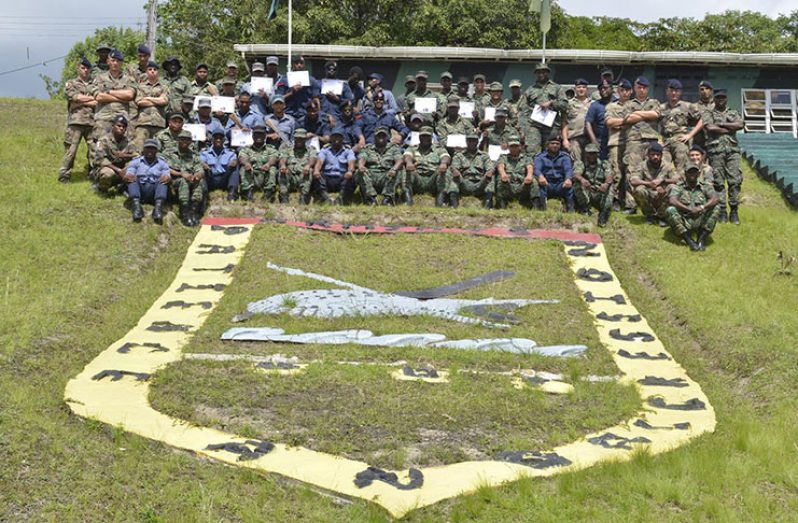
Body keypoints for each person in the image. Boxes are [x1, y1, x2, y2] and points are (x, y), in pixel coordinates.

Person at [702, 88, 744, 224]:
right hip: (716, 152)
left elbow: (740, 124)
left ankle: (734, 211)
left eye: (723, 97)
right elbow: (709, 127)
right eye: (718, 97)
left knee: (735, 181)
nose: (720, 100)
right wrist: (729, 129)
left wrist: (721, 124)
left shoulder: (733, 112)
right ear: (714, 98)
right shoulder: (708, 113)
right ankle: (722, 211)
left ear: (726, 99)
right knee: (718, 183)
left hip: (732, 152)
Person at [665, 162, 720, 251]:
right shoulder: (679, 186)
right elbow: (672, 200)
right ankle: (688, 240)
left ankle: (701, 239)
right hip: (685, 220)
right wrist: (689, 209)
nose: (692, 174)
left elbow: (715, 199)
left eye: (694, 172)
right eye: (690, 172)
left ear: (698, 174)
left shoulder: (705, 186)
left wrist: (701, 207)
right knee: (670, 210)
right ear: (685, 173)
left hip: (701, 219)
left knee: (716, 207)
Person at [58, 57, 96, 183]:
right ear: (78, 68)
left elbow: (98, 101)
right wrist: (88, 99)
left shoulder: (95, 84)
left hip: (92, 121)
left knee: (94, 150)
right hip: (76, 121)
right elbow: (74, 98)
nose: (85, 70)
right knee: (71, 150)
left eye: (87, 68)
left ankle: (93, 173)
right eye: (83, 68)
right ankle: (64, 175)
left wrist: (80, 101)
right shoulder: (71, 83)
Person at [91, 49, 136, 150]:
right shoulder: (99, 78)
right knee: (100, 144)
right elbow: (98, 97)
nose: (115, 63)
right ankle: (100, 165)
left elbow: (129, 95)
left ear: (121, 63)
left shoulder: (129, 79)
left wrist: (109, 92)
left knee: (124, 144)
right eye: (113, 60)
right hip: (103, 117)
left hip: (122, 116)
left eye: (118, 61)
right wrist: (121, 98)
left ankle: (122, 164)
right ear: (108, 61)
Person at [519, 62, 566, 156]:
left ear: (548, 73)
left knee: (551, 151)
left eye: (543, 72)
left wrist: (552, 103)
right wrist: (523, 130)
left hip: (552, 126)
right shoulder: (530, 90)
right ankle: (534, 170)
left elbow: (564, 105)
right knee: (532, 151)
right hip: (534, 126)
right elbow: (523, 110)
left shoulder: (557, 88)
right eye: (538, 72)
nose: (541, 74)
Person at [623, 76, 661, 191]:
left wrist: (637, 113)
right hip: (634, 141)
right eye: (639, 87)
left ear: (647, 89)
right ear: (635, 88)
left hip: (651, 140)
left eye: (644, 88)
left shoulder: (654, 102)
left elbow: (655, 114)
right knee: (632, 170)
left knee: (651, 170)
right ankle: (631, 204)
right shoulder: (628, 104)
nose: (641, 90)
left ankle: (651, 199)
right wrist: (646, 114)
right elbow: (628, 119)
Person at [660, 79, 704, 172]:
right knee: (663, 168)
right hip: (665, 142)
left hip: (680, 140)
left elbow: (704, 119)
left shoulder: (687, 106)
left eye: (676, 91)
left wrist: (690, 134)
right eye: (671, 90)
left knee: (682, 169)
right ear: (667, 91)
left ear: (680, 92)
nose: (674, 93)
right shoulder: (661, 107)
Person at [629, 142, 678, 225]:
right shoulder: (642, 165)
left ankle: (661, 215)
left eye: (658, 155)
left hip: (662, 194)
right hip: (649, 193)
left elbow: (677, 179)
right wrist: (649, 184)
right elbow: (633, 180)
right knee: (639, 189)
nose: (655, 157)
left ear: (661, 155)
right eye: (653, 154)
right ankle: (650, 215)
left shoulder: (667, 165)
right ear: (648, 155)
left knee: (673, 188)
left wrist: (663, 182)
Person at [403, 126, 453, 206]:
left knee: (446, 171)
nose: (425, 138)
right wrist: (409, 162)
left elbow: (446, 157)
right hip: (418, 179)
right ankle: (407, 199)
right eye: (423, 136)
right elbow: (407, 156)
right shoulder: (413, 148)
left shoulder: (438, 149)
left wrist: (443, 163)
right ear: (419, 137)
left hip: (433, 180)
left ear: (431, 137)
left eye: (427, 136)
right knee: (405, 170)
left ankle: (441, 199)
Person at [124, 139, 171, 223]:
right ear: (143, 150)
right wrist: (129, 175)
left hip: (154, 193)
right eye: (147, 148)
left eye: (152, 148)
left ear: (156, 150)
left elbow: (166, 174)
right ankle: (137, 207)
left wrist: (167, 177)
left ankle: (158, 209)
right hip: (140, 191)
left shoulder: (162, 163)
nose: (150, 151)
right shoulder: (135, 162)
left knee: (163, 181)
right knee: (132, 179)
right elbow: (130, 172)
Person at [604, 78, 634, 210]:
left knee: (630, 172)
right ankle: (614, 199)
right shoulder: (611, 106)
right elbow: (609, 122)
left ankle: (629, 202)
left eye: (627, 90)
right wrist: (627, 120)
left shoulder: (635, 105)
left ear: (631, 91)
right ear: (618, 91)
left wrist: (620, 121)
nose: (625, 93)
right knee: (616, 172)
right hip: (615, 142)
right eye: (622, 90)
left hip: (632, 143)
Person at [356, 127, 404, 206]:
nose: (381, 138)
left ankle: (387, 199)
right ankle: (371, 199)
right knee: (360, 172)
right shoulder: (368, 148)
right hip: (371, 176)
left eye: (383, 136)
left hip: (387, 176)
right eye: (379, 136)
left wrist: (394, 169)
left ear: (387, 137)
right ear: (375, 137)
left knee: (398, 170)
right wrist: (361, 166)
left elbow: (399, 160)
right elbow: (362, 157)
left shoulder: (394, 148)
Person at [165, 129, 204, 226]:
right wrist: (181, 174)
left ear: (191, 142)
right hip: (171, 184)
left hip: (188, 184)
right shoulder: (168, 152)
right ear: (178, 140)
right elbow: (163, 168)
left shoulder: (193, 155)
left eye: (187, 140)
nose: (184, 142)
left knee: (199, 181)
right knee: (183, 180)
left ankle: (193, 211)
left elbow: (200, 169)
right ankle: (184, 212)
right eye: (182, 139)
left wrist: (197, 175)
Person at [92, 115, 137, 193]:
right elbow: (100, 160)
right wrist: (118, 170)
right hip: (107, 168)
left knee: (135, 168)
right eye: (119, 126)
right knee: (107, 173)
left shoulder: (128, 142)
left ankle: (123, 187)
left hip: (122, 169)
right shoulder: (104, 140)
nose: (121, 128)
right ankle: (102, 188)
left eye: (124, 127)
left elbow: (137, 156)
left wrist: (125, 155)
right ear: (113, 126)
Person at [312, 127, 357, 204]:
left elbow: (351, 163)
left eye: (339, 137)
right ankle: (325, 198)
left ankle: (341, 199)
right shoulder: (325, 150)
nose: (336, 139)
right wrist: (316, 170)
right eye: (334, 136)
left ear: (342, 138)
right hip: (327, 179)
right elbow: (319, 162)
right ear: (331, 138)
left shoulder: (348, 150)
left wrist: (349, 171)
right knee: (316, 176)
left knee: (353, 176)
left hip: (342, 178)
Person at [451, 131, 496, 208]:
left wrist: (489, 172)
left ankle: (488, 205)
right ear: (466, 141)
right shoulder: (459, 155)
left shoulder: (484, 156)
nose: (472, 142)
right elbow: (454, 167)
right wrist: (455, 171)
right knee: (451, 175)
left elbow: (490, 168)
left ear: (477, 142)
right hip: (463, 183)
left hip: (480, 183)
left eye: (474, 140)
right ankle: (453, 204)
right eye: (469, 140)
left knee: (491, 177)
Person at [573, 143, 613, 226]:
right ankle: (584, 208)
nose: (592, 155)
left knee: (610, 186)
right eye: (589, 153)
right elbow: (576, 174)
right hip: (588, 192)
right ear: (586, 154)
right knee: (577, 184)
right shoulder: (581, 163)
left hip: (600, 192)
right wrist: (582, 180)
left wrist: (605, 184)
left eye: (594, 153)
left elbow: (609, 176)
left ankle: (603, 213)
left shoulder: (604, 164)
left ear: (597, 154)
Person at [132, 61, 168, 152]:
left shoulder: (164, 87)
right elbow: (139, 102)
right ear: (146, 72)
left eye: (155, 69)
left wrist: (147, 98)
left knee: (159, 150)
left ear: (158, 72)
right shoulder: (140, 87)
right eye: (150, 69)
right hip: (143, 123)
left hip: (159, 123)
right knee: (139, 150)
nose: (152, 71)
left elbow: (164, 101)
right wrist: (157, 100)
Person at [495, 135, 539, 209]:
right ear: (508, 147)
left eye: (516, 146)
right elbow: (500, 165)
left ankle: (536, 206)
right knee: (500, 179)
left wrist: (529, 175)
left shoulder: (526, 158)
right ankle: (502, 205)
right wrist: (503, 174)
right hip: (509, 185)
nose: (514, 148)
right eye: (512, 146)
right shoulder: (503, 157)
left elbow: (530, 167)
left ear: (520, 147)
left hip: (522, 185)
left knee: (534, 181)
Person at [237, 125, 278, 201]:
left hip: (265, 175)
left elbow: (274, 157)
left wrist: (268, 164)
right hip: (252, 175)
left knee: (273, 168)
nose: (258, 136)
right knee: (243, 168)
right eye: (256, 134)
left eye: (261, 134)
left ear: (265, 136)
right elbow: (242, 157)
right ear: (252, 136)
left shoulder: (270, 148)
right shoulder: (246, 149)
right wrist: (246, 163)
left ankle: (269, 193)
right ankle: (246, 192)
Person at [535, 135, 574, 211]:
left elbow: (568, 170)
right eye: (552, 143)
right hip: (547, 183)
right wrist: (540, 176)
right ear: (547, 145)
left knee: (569, 188)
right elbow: (537, 169)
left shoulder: (565, 157)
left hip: (560, 184)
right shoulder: (540, 157)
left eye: (557, 144)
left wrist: (568, 179)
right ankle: (542, 209)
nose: (555, 145)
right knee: (539, 187)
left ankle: (570, 210)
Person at [279, 128, 318, 204]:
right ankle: (284, 196)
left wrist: (308, 165)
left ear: (305, 139)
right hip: (290, 178)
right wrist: (283, 165)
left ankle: (303, 196)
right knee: (283, 170)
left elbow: (313, 158)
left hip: (303, 177)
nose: (299, 140)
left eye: (301, 138)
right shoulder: (287, 149)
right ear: (294, 138)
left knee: (309, 170)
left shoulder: (311, 149)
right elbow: (283, 158)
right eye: (297, 138)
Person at [277, 54, 320, 120]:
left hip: (306, 115)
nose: (299, 65)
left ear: (304, 64)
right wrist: (291, 92)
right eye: (296, 63)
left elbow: (316, 99)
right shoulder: (284, 79)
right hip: (288, 114)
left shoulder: (311, 80)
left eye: (301, 63)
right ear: (293, 64)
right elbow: (278, 99)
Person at [562, 78, 592, 165]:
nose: (581, 89)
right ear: (575, 89)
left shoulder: (593, 104)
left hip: (589, 138)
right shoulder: (569, 104)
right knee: (576, 163)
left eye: (583, 87)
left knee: (589, 163)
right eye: (579, 87)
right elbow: (564, 122)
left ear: (587, 89)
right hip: (574, 138)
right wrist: (565, 140)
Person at [585, 81, 613, 161]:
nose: (603, 90)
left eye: (606, 88)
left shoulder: (617, 102)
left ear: (612, 89)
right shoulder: (595, 105)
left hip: (616, 139)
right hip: (601, 141)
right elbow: (588, 122)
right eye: (601, 89)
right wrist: (593, 140)